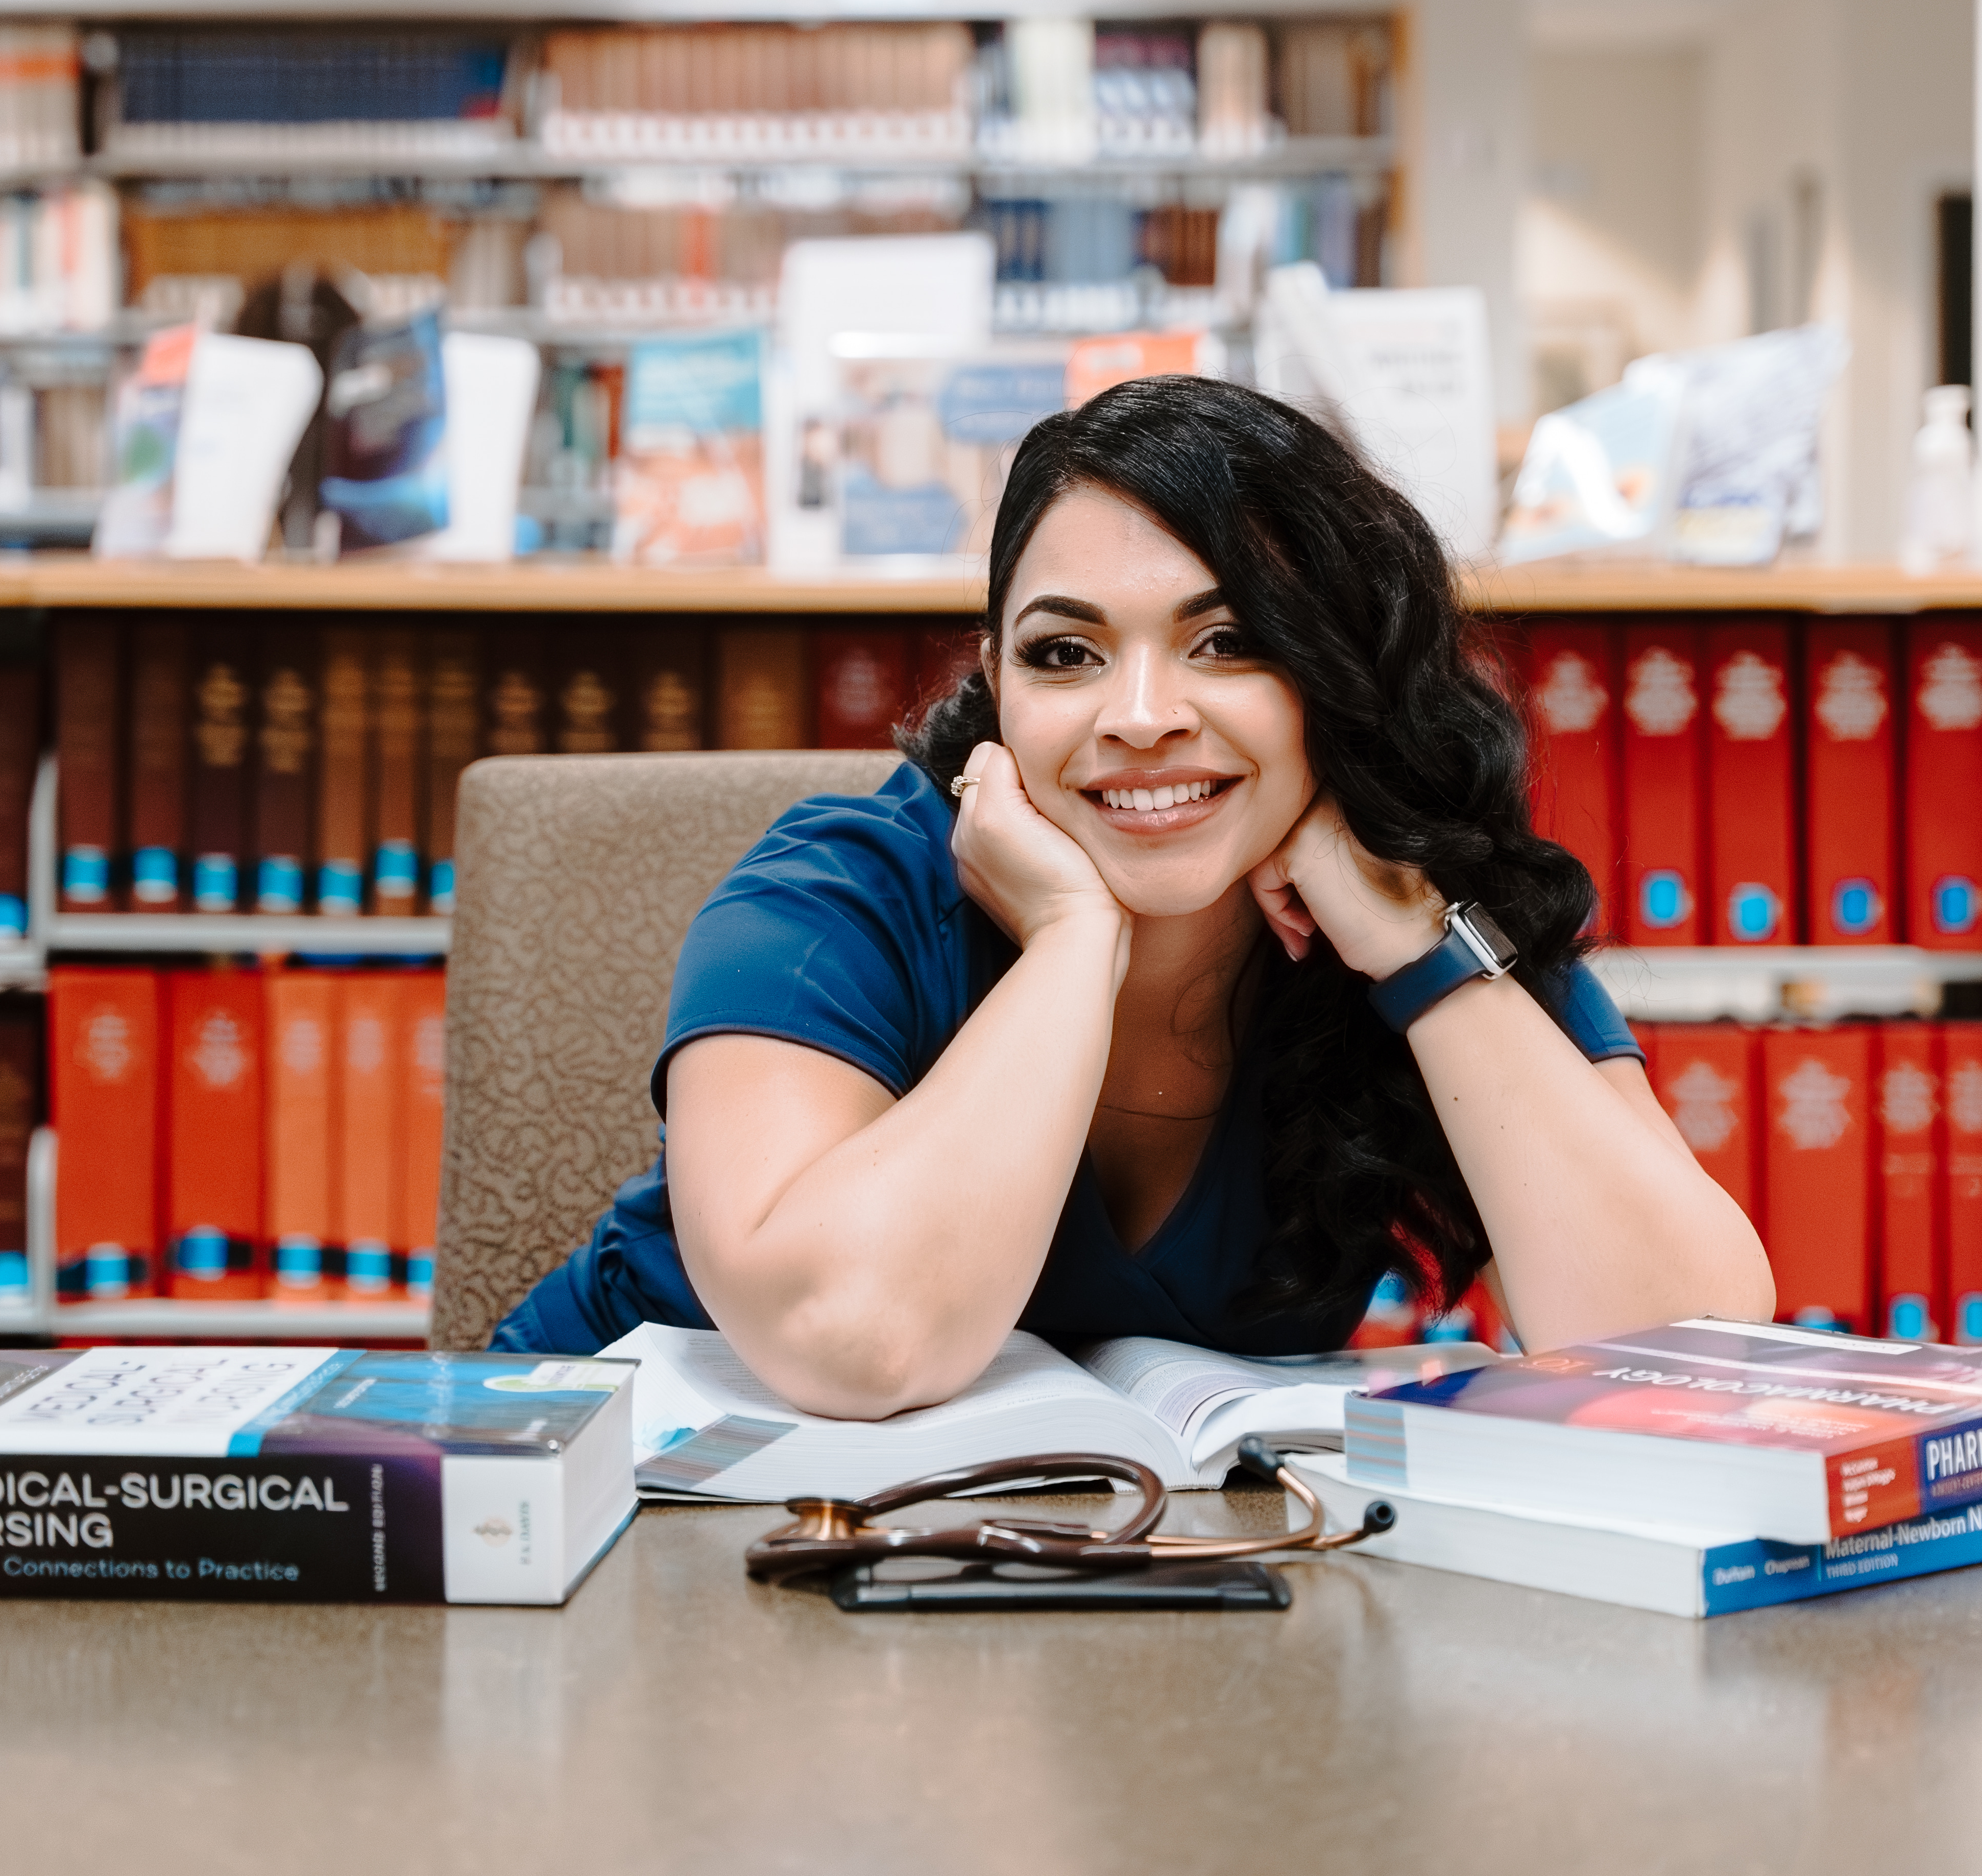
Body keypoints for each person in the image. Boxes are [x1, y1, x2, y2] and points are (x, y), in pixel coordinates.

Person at [494, 377, 1773, 1410]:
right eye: (1066, 654)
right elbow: (853, 1340)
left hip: (1104, 1593)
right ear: (994, 685)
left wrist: (1414, 956)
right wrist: (1068, 942)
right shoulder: (835, 892)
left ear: (1336, 675)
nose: (1144, 717)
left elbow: (1690, 1354)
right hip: (629, 1522)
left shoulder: (1421, 902)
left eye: (1227, 643)